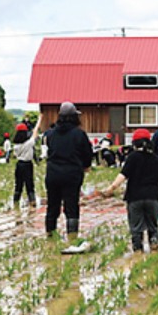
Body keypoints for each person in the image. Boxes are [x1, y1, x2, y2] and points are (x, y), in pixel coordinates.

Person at [101, 128, 158, 253]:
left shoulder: (132, 158)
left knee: (136, 227)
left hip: (134, 197)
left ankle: (137, 251)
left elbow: (123, 176)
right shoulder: (156, 159)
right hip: (152, 197)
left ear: (134, 143)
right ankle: (154, 245)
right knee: (153, 225)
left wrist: (111, 188)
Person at [44, 102, 92, 239]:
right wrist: (86, 166)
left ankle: (50, 234)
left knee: (52, 205)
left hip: (53, 174)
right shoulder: (79, 134)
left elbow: (50, 151)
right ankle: (72, 236)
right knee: (71, 206)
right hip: (72, 174)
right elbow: (87, 153)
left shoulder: (51, 134)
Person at [11, 118, 41, 209]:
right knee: (29, 185)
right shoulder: (29, 143)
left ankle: (15, 203)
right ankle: (32, 202)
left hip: (19, 165)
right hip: (28, 165)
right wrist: (40, 119)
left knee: (18, 185)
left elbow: (15, 155)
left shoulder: (16, 146)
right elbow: (35, 132)